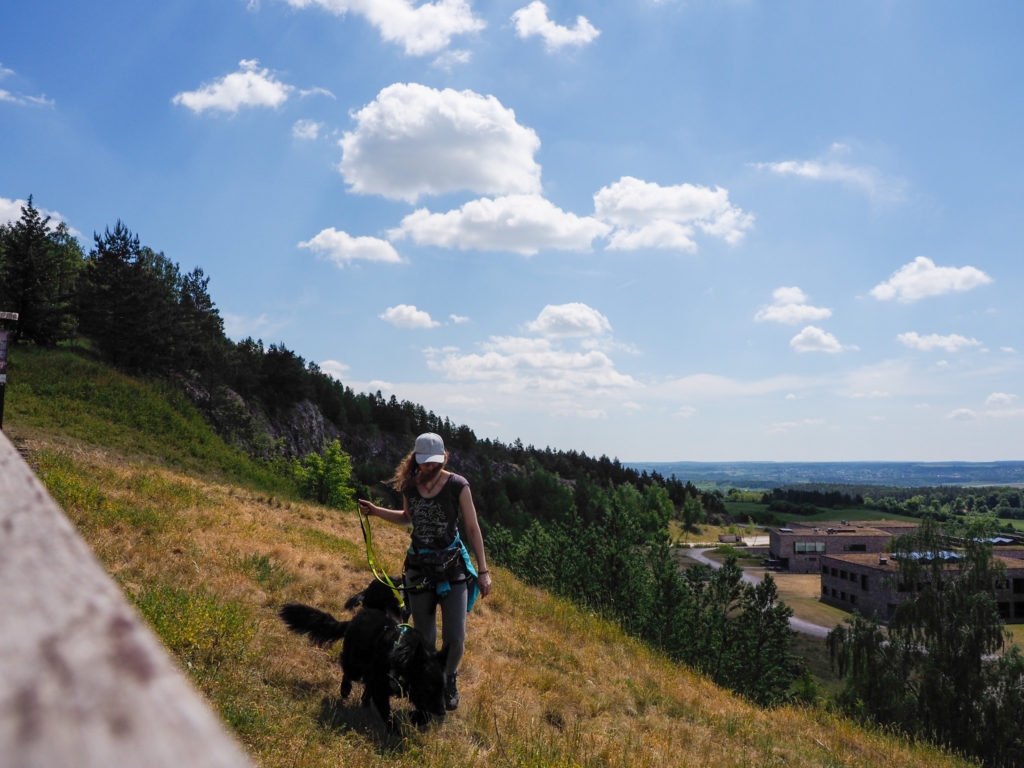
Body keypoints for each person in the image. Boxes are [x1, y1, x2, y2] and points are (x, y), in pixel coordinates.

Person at [357, 432, 492, 711]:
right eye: (424, 463)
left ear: (443, 458)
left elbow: (472, 527)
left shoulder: (458, 485)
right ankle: (424, 683)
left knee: (455, 638)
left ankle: (449, 677)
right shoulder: (410, 485)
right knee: (425, 638)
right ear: (416, 460)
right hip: (419, 569)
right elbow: (408, 518)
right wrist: (376, 511)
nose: (429, 467)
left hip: (452, 569)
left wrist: (483, 569)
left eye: (434, 463)